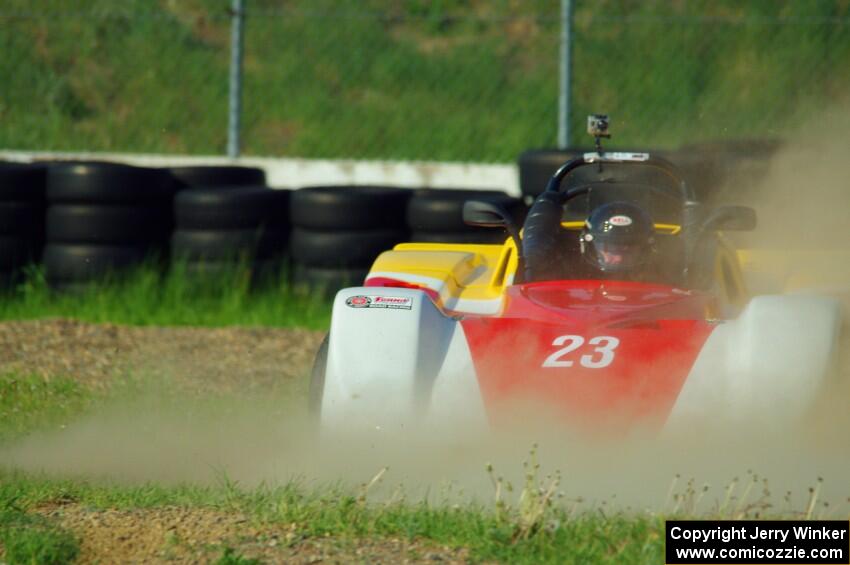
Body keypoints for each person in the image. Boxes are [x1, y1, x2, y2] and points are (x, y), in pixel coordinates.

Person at [577, 201, 658, 281]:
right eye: (610, 249)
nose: (619, 259)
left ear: (644, 247)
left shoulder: (664, 275)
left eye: (628, 250)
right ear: (591, 245)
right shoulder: (571, 272)